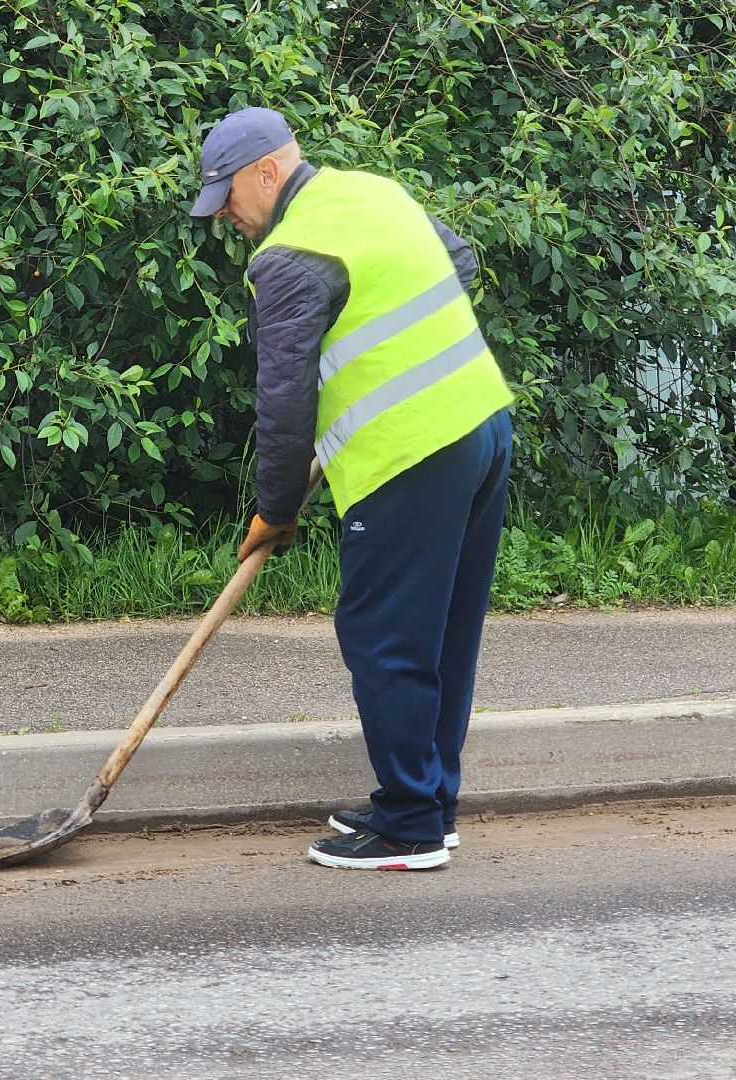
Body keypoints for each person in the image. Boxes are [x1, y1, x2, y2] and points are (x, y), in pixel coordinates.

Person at [187, 107, 514, 871]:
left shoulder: (290, 258)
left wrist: (274, 510)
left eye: (228, 197)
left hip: (410, 454)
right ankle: (430, 798)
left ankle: (407, 828)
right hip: (481, 424)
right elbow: (458, 262)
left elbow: (284, 401)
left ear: (268, 172)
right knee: (443, 631)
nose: (225, 216)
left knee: (384, 633)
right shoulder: (374, 193)